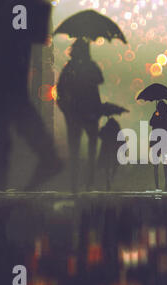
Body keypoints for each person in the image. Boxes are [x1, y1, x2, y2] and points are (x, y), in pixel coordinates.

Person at [0, 0, 63, 191]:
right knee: (8, 99)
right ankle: (39, 158)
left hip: (5, 38)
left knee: (1, 97)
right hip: (9, 35)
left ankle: (2, 171)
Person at [57, 37, 104, 192]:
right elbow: (100, 79)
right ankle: (86, 181)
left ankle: (76, 182)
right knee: (89, 147)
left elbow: (61, 88)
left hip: (76, 111)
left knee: (76, 148)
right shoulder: (88, 66)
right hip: (87, 111)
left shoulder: (70, 67)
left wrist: (65, 106)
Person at [149, 100, 167, 191]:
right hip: (166, 141)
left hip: (158, 141)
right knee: (165, 164)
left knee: (156, 165)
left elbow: (151, 123)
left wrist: (155, 113)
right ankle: (166, 183)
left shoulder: (157, 115)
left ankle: (158, 185)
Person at [98, 117, 123, 191]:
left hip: (106, 150)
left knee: (107, 166)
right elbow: (122, 141)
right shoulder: (116, 129)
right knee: (114, 165)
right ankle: (110, 178)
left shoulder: (106, 129)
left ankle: (108, 180)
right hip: (114, 150)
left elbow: (100, 135)